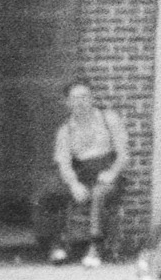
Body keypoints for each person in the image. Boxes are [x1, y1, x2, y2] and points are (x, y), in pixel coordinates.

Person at [33, 78, 129, 265]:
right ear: (68, 102)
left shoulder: (108, 119)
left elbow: (123, 154)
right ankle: (56, 246)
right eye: (75, 98)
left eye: (85, 97)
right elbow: (64, 163)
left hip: (107, 170)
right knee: (46, 194)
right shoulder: (65, 130)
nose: (80, 102)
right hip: (82, 172)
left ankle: (95, 247)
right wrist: (74, 184)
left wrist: (112, 173)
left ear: (92, 98)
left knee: (99, 193)